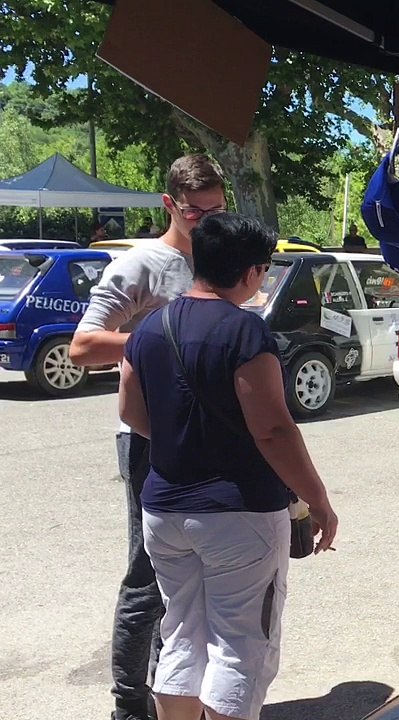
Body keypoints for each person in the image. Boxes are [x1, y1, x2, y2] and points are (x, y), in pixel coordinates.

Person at [118, 212, 337, 720]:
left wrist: (181, 440)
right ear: (251, 273)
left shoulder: (151, 325)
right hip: (239, 514)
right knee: (241, 645)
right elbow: (273, 430)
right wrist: (319, 500)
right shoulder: (245, 332)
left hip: (164, 510)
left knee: (181, 635)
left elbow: (130, 411)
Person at [71, 154, 226, 720]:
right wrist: (167, 336)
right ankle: (129, 706)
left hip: (210, 437)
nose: (206, 221)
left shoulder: (220, 257)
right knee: (147, 573)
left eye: (216, 210)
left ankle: (174, 695)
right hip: (147, 435)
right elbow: (84, 347)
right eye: (195, 212)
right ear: (170, 205)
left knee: (196, 571)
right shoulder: (141, 265)